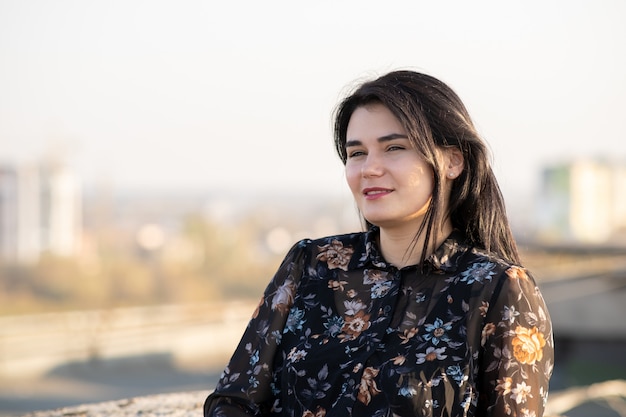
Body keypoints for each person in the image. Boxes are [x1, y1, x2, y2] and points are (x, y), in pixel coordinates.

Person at [203, 70, 554, 417]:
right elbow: (234, 401)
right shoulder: (311, 264)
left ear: (452, 161)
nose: (369, 168)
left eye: (394, 148)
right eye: (356, 153)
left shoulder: (497, 289)